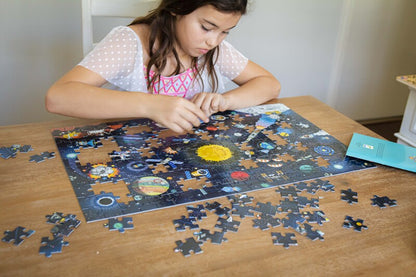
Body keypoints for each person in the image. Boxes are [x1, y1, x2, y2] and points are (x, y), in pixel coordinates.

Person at [46, 0, 280, 134]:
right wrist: (151, 105)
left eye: (225, 31)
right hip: (128, 155)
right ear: (178, 8)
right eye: (207, 27)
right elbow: (58, 97)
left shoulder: (213, 50)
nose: (214, 40)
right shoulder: (130, 42)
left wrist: (226, 101)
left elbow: (269, 84)